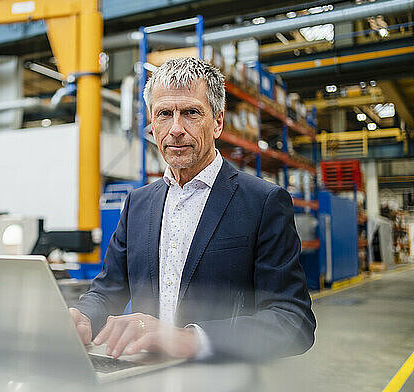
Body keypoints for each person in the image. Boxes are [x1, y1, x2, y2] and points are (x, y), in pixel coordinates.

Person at [70, 57, 316, 362]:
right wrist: (84, 317)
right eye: (164, 114)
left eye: (190, 113)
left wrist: (191, 339)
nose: (175, 129)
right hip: (148, 375)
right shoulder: (138, 204)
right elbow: (108, 289)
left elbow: (293, 320)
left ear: (217, 122)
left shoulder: (263, 202)